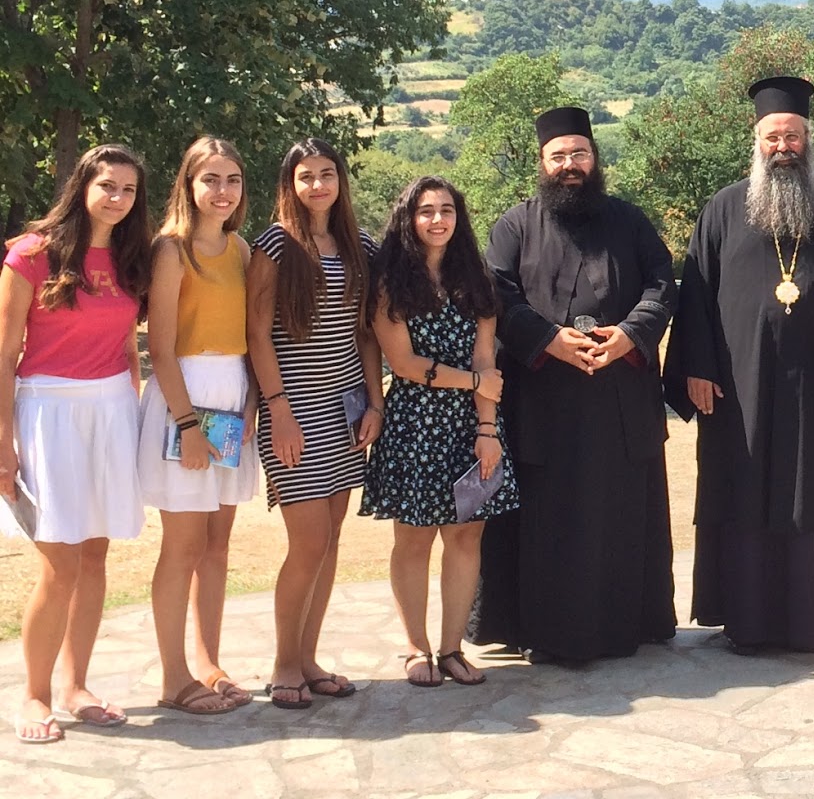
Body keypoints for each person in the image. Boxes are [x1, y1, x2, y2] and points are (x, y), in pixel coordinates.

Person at [665, 77, 814, 653]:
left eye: (793, 137)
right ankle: (744, 615)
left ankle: (810, 613)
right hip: (737, 386)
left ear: (808, 141)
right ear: (756, 140)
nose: (783, 147)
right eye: (773, 137)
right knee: (740, 486)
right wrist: (696, 367)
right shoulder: (723, 209)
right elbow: (695, 295)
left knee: (810, 489)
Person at [470, 106, 678, 662]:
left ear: (595, 158)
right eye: (558, 156)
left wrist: (629, 335)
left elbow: (662, 285)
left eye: (579, 154)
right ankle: (539, 629)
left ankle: (624, 625)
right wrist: (549, 340)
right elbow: (497, 295)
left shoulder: (630, 221)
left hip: (619, 400)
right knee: (546, 519)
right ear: (542, 163)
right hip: (542, 401)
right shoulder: (514, 225)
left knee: (618, 514)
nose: (570, 165)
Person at [1, 144, 152, 744]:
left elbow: (126, 346)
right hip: (48, 411)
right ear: (82, 185)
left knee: (94, 557)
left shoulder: (131, 257)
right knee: (59, 563)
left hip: (112, 409)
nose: (118, 198)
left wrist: (134, 415)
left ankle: (75, 686)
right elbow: (4, 355)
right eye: (107, 185)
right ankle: (34, 695)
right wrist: (4, 442)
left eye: (129, 190)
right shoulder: (30, 254)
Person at [246, 138, 381, 709]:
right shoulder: (275, 244)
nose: (318, 185)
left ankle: (309, 659)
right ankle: (284, 665)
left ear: (340, 180)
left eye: (327, 173)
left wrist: (375, 404)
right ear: (291, 184)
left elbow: (366, 333)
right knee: (308, 543)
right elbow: (257, 334)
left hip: (346, 409)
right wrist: (276, 409)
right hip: (293, 410)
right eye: (306, 176)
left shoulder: (360, 245)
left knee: (330, 541)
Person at [363, 177, 513, 686]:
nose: (437, 220)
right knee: (414, 539)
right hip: (414, 424)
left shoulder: (476, 278)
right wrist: (474, 382)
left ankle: (451, 649)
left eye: (446, 210)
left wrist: (487, 429)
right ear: (409, 218)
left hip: (472, 424)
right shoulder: (389, 282)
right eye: (426, 211)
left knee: (467, 535)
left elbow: (485, 356)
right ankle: (415, 647)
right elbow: (404, 363)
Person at [137, 137, 259, 715]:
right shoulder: (170, 250)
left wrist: (251, 407)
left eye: (232, 179)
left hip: (231, 398)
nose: (222, 191)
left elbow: (250, 338)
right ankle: (173, 677)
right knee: (182, 545)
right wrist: (187, 425)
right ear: (189, 184)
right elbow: (160, 349)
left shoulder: (242, 250)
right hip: (183, 399)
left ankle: (209, 664)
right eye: (210, 179)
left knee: (216, 544)